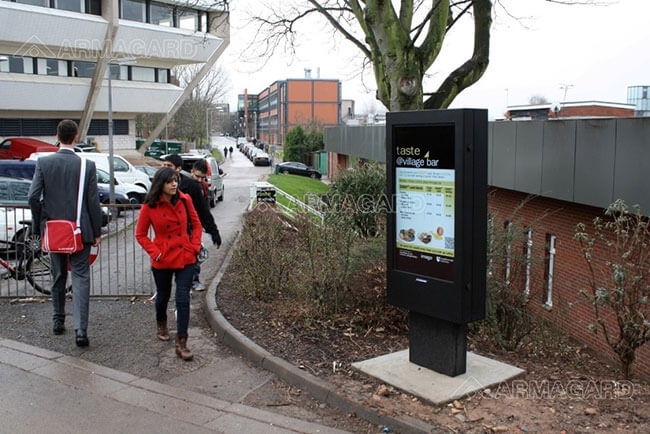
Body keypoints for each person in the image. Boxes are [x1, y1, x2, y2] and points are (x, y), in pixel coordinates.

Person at [28, 120, 102, 347]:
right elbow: (93, 202)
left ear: (57, 137)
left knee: (58, 275)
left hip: (55, 230)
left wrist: (40, 224)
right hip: (81, 231)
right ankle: (81, 331)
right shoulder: (86, 166)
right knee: (80, 278)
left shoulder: (44, 163)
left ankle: (58, 322)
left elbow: (33, 197)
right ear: (76, 137)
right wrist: (96, 231)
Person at [135, 168, 201, 361]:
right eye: (169, 181)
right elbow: (140, 234)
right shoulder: (150, 206)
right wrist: (155, 253)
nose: (174, 184)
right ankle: (161, 322)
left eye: (176, 180)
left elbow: (196, 224)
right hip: (162, 258)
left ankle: (182, 341)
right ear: (160, 184)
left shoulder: (185, 200)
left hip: (185, 256)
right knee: (163, 296)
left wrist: (195, 246)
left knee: (183, 298)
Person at [162, 154, 221, 291]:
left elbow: (203, 211)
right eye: (164, 165)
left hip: (188, 229)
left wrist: (213, 232)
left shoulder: (192, 186)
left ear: (178, 169)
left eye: (169, 166)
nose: (165, 169)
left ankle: (190, 281)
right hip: (168, 231)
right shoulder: (159, 184)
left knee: (191, 256)